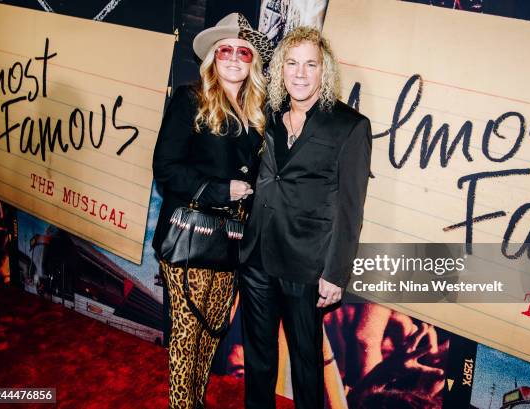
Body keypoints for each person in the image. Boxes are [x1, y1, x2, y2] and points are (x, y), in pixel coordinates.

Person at [239, 26, 373, 409]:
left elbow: (351, 209)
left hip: (307, 265)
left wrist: (336, 273)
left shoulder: (350, 126)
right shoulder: (268, 113)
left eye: (310, 65)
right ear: (280, 70)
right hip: (257, 257)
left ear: (324, 71)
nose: (300, 73)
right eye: (292, 64)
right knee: (258, 360)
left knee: (306, 364)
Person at [151, 13, 271, 409]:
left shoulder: (257, 114)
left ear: (252, 62)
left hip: (230, 243)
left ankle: (195, 402)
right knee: (187, 339)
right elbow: (165, 168)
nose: (235, 59)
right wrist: (221, 190)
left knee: (210, 336)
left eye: (244, 52)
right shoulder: (191, 99)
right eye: (225, 51)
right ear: (212, 58)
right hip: (191, 235)